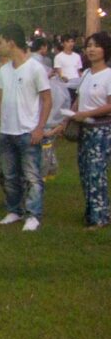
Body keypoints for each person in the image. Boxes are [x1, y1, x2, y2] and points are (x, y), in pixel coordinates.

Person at [0, 23, 52, 231]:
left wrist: (39, 128)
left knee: (31, 175)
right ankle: (14, 210)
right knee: (10, 175)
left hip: (27, 131)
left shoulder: (35, 68)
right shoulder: (4, 70)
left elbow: (47, 100)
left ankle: (33, 214)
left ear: (11, 43)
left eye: (1, 42)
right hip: (7, 130)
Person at [55, 31, 111, 229]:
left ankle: (100, 217)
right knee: (85, 172)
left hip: (101, 129)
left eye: (96, 45)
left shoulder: (108, 75)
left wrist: (89, 112)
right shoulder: (86, 73)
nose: (92, 49)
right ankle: (91, 211)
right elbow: (78, 99)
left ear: (105, 49)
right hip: (84, 128)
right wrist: (70, 116)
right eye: (89, 46)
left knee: (96, 173)